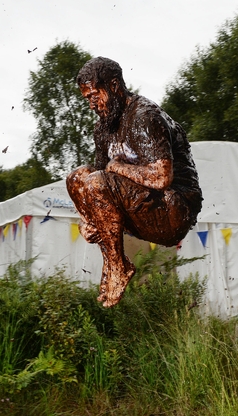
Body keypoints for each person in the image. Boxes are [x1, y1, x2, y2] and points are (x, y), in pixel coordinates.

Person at [66, 57, 203, 307]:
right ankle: (115, 262)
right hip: (140, 208)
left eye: (95, 96)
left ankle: (118, 266)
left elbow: (162, 177)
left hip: (173, 210)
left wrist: (117, 166)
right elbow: (95, 181)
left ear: (115, 86)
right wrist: (87, 220)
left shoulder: (144, 117)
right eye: (87, 99)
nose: (92, 105)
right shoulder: (103, 129)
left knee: (97, 182)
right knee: (77, 179)